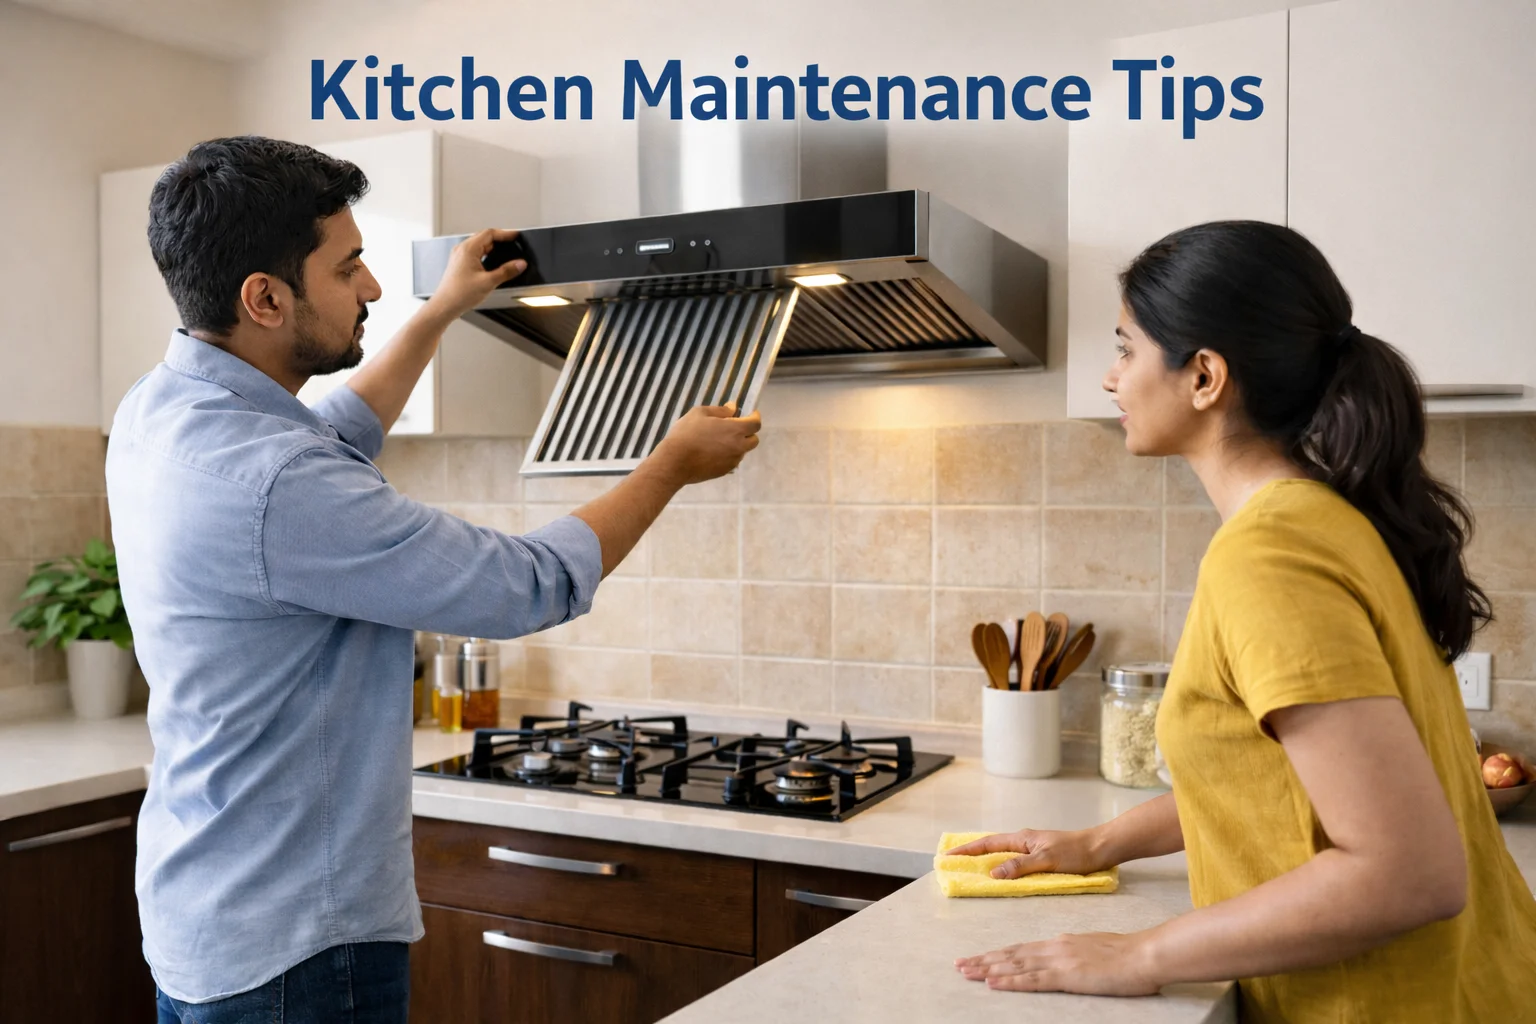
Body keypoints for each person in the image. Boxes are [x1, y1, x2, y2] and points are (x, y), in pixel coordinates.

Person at [106, 136, 761, 1024]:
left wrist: (442, 307)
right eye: (348, 269)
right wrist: (668, 467)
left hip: (209, 913)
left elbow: (330, 435)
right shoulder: (275, 483)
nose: (372, 288)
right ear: (264, 298)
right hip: (300, 946)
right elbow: (525, 584)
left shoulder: (164, 407)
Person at [950, 221, 1536, 1021]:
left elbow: (1409, 873)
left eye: (1126, 348)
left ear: (1204, 377)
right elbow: (1274, 783)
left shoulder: (1270, 555)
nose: (1109, 378)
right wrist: (1098, 845)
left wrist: (1140, 953)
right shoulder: (1320, 522)